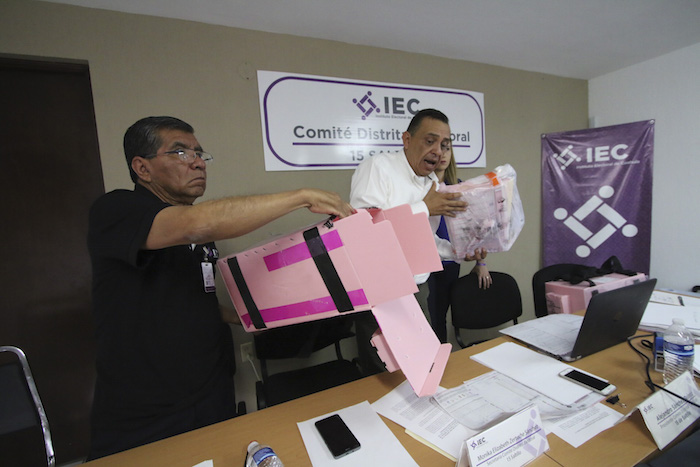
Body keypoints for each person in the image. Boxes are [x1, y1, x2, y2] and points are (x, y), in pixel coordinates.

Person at [86, 116, 354, 459]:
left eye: (199, 153)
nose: (198, 162)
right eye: (180, 153)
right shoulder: (117, 209)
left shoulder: (199, 234)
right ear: (142, 168)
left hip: (211, 389)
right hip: (148, 405)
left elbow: (195, 297)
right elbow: (196, 224)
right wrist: (302, 196)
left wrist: (246, 319)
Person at [427, 147, 490, 343]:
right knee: (428, 317)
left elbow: (474, 228)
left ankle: (443, 355)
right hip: (424, 262)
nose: (442, 154)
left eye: (446, 149)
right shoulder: (420, 189)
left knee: (441, 315)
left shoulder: (460, 188)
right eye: (437, 149)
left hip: (450, 261)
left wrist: (480, 263)